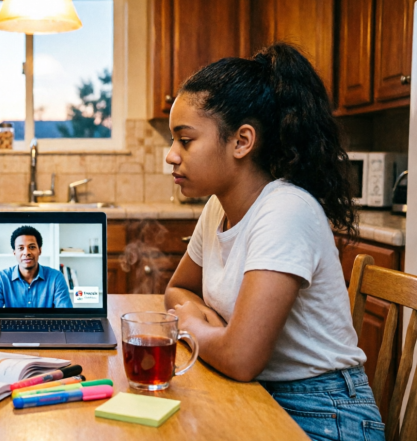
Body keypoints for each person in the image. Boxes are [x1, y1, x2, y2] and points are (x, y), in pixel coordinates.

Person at [163, 43, 384, 441]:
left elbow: (241, 357)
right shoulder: (218, 207)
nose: (171, 156)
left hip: (323, 413)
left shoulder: (285, 211)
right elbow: (177, 289)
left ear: (242, 141)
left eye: (185, 140)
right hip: (257, 393)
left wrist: (192, 324)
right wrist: (211, 329)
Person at [0, 226, 73, 308]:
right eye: (21, 248)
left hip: (46, 323)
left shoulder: (56, 278)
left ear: (39, 250)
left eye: (32, 247)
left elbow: (65, 315)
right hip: (14, 323)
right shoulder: (1, 278)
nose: (26, 252)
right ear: (14, 252)